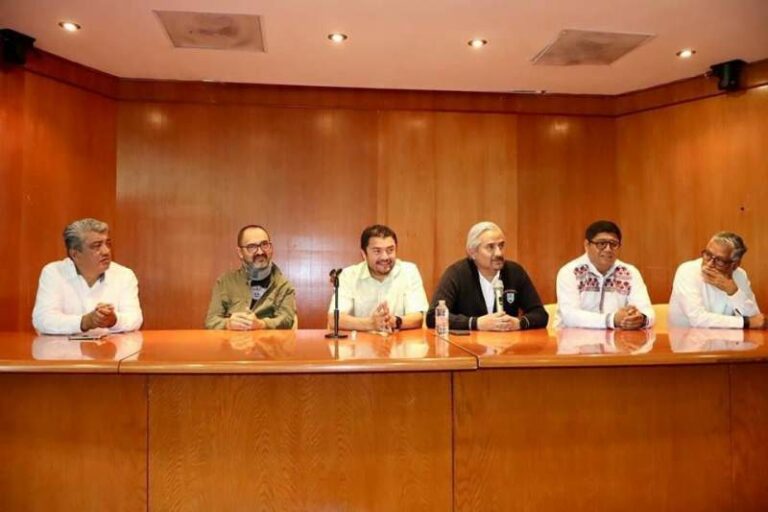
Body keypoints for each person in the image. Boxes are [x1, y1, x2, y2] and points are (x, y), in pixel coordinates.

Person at [426, 221, 547, 331]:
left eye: (501, 246)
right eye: (490, 247)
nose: (499, 253)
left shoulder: (515, 272)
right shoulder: (456, 274)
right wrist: (476, 323)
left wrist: (519, 323)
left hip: (507, 345)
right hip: (468, 344)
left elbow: (540, 314)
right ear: (472, 252)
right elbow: (433, 317)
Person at [32, 218, 143, 334]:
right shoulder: (54, 273)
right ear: (75, 254)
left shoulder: (124, 275)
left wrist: (113, 320)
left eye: (108, 244)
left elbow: (135, 319)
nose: (106, 251)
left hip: (110, 345)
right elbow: (43, 320)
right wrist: (85, 322)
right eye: (96, 246)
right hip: (64, 346)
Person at [555, 220, 654, 329]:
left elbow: (648, 312)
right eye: (601, 244)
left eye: (613, 244)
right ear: (587, 245)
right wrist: (611, 320)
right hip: (572, 338)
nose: (608, 249)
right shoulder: (570, 272)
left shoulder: (630, 273)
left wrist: (640, 319)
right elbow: (570, 316)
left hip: (616, 338)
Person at [328, 224, 428, 332]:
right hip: (361, 341)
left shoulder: (409, 271)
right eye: (377, 251)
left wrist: (395, 321)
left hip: (398, 341)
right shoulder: (348, 276)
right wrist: (370, 324)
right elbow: (334, 319)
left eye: (390, 250)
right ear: (364, 254)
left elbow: (418, 317)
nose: (385, 257)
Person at [205, 225, 297, 330]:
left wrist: (262, 324)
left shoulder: (284, 285)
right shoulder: (225, 282)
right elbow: (211, 321)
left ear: (271, 247)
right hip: (234, 339)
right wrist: (228, 324)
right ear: (240, 252)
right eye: (252, 247)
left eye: (264, 244)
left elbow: (287, 320)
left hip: (269, 339)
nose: (260, 252)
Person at [669, 231, 764, 329]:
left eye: (719, 260)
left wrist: (733, 292)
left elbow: (756, 319)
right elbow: (697, 319)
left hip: (727, 337)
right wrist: (745, 322)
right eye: (708, 254)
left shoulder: (740, 275)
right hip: (687, 337)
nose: (709, 264)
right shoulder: (687, 271)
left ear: (735, 265)